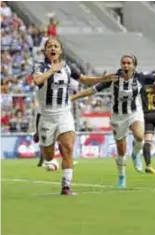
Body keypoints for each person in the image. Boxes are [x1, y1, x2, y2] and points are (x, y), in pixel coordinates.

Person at [71, 53, 155, 188]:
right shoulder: (113, 78)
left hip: (134, 112)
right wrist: (73, 98)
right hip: (118, 116)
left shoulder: (141, 77)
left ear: (134, 65)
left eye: (129, 63)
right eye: (123, 63)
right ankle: (122, 176)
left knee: (140, 137)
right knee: (121, 151)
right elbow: (92, 90)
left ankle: (135, 155)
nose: (126, 65)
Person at [32, 38, 116, 195]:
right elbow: (37, 81)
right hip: (47, 115)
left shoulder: (68, 68)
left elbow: (84, 79)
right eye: (49, 46)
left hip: (64, 113)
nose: (53, 48)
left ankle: (66, 186)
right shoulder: (40, 66)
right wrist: (52, 69)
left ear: (60, 51)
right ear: (45, 51)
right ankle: (47, 148)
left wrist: (102, 79)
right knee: (48, 156)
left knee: (68, 148)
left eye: (56, 46)